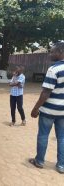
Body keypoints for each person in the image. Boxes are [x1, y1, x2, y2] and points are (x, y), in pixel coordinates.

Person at [30, 42, 64, 174]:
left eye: (52, 51)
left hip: (49, 110)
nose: (50, 54)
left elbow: (46, 93)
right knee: (62, 137)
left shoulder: (53, 69)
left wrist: (35, 108)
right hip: (63, 111)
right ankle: (61, 166)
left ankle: (39, 161)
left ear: (60, 51)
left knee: (43, 135)